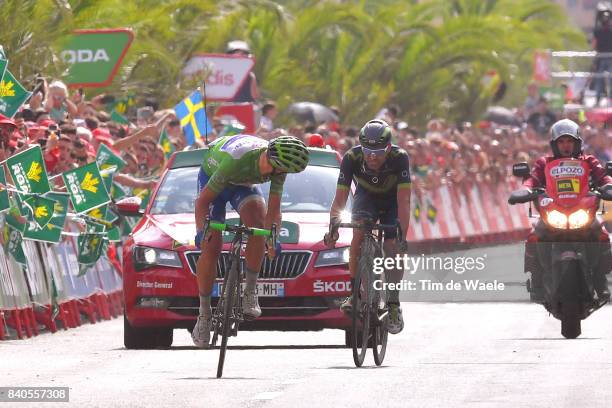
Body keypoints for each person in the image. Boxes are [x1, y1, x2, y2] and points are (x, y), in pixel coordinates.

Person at [191, 134, 309, 348]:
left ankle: (250, 291)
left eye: (285, 172)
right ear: (269, 159)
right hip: (215, 178)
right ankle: (204, 314)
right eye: (279, 170)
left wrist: (271, 238)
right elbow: (202, 202)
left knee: (258, 226)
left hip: (243, 184)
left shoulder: (279, 167)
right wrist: (201, 230)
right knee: (211, 246)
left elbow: (274, 212)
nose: (280, 175)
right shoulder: (236, 160)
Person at [325, 119, 411, 334]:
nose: (372, 156)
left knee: (392, 246)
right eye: (368, 150)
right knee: (358, 235)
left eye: (379, 151)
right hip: (366, 198)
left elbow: (404, 200)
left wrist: (402, 236)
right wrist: (333, 226)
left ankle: (393, 303)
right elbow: (340, 197)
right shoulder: (352, 157)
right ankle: (354, 294)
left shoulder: (400, 158)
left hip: (392, 201)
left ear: (389, 148)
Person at [513, 119, 612, 302]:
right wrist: (524, 190)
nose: (566, 145)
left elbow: (603, 177)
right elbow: (532, 180)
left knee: (603, 234)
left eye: (570, 141)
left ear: (577, 143)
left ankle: (600, 280)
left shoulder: (589, 161)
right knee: (534, 235)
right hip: (554, 211)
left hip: (582, 211)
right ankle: (537, 281)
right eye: (561, 141)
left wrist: (608, 186)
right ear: (554, 144)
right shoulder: (544, 162)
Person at [593, 7, 612, 104]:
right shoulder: (598, 31)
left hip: (610, 57)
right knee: (599, 78)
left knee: (610, 78)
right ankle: (597, 99)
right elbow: (594, 45)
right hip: (601, 57)